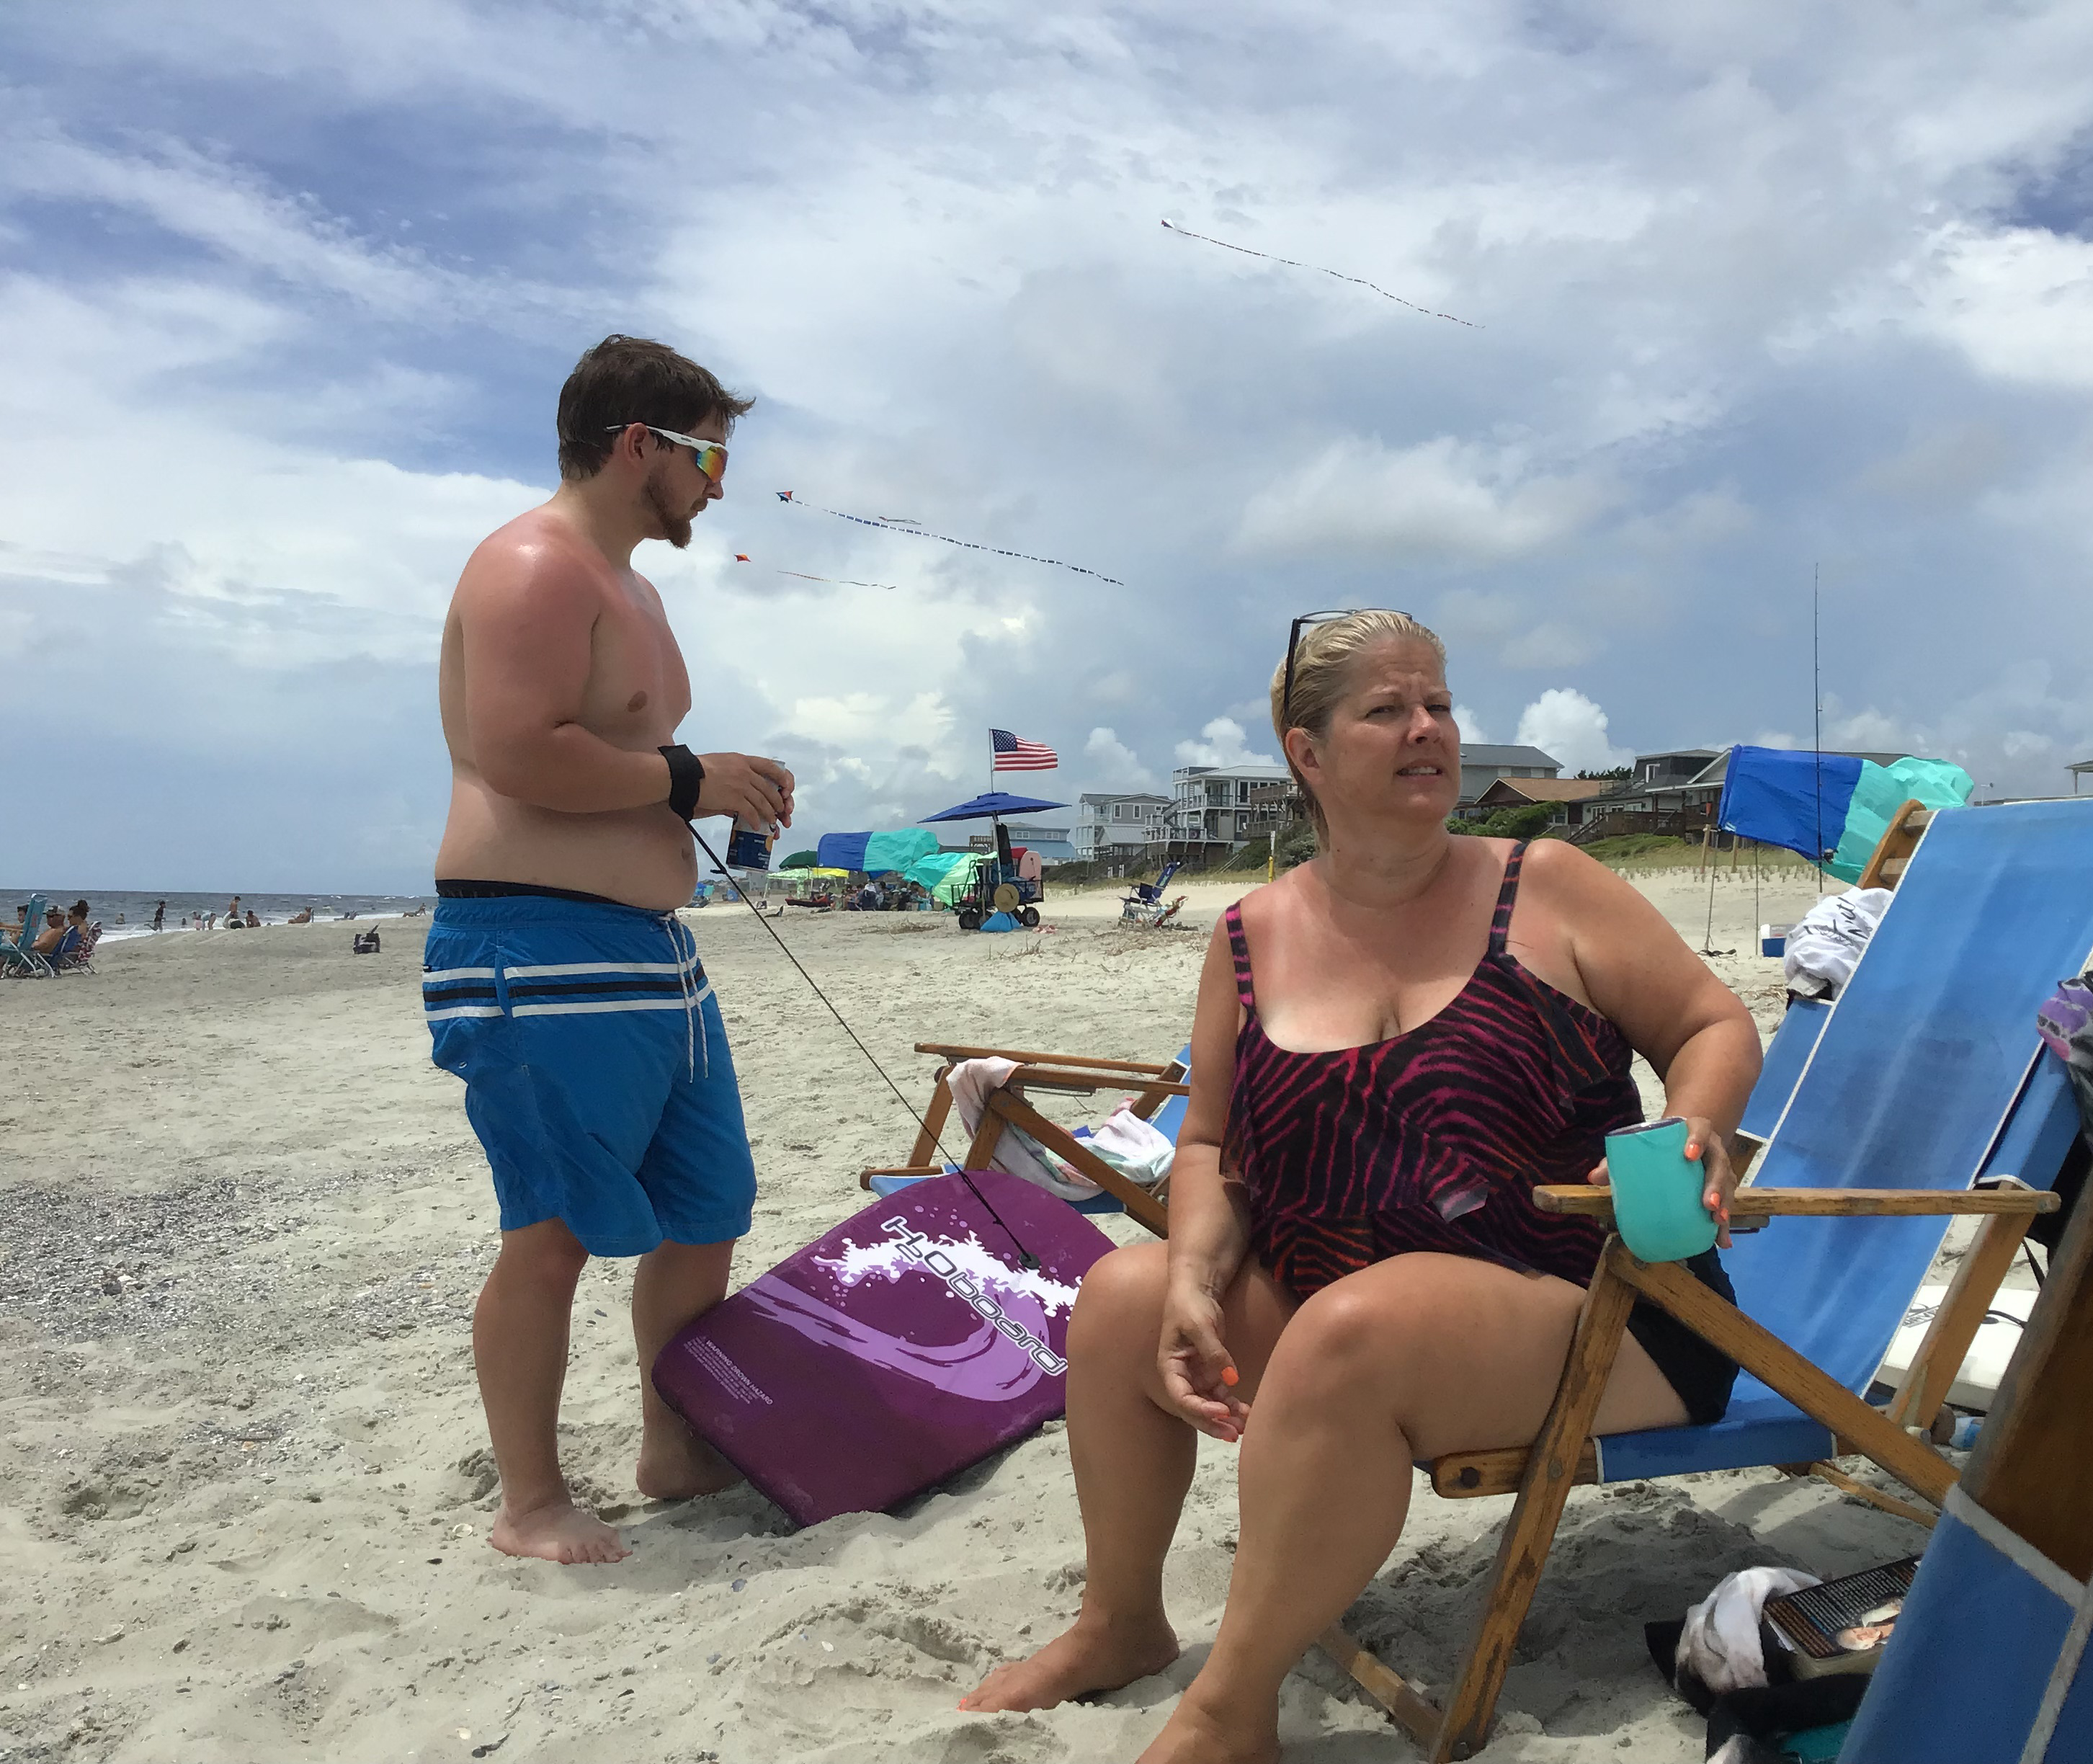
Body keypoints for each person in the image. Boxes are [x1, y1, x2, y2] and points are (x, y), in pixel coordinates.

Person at [962, 612, 1761, 1760]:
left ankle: (1231, 1710)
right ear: (1309, 753)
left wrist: (1697, 1120)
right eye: (1387, 710)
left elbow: (1712, 1021)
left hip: (1606, 1308)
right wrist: (1195, 1273)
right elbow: (1208, 1148)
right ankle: (1120, 1622)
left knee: (1359, 1328)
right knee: (1125, 1300)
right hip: (1352, 1306)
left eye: (1436, 702)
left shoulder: (1549, 887)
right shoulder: (1251, 934)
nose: (1427, 728)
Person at [426, 334, 794, 1568]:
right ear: (640, 443)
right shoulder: (534, 565)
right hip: (538, 948)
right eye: (708, 455)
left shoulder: (626, 583)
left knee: (708, 1210)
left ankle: (671, 1445)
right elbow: (519, 749)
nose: (719, 484)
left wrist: (712, 781)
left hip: (647, 954)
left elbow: (623, 761)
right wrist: (692, 774)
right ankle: (529, 1503)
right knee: (553, 1230)